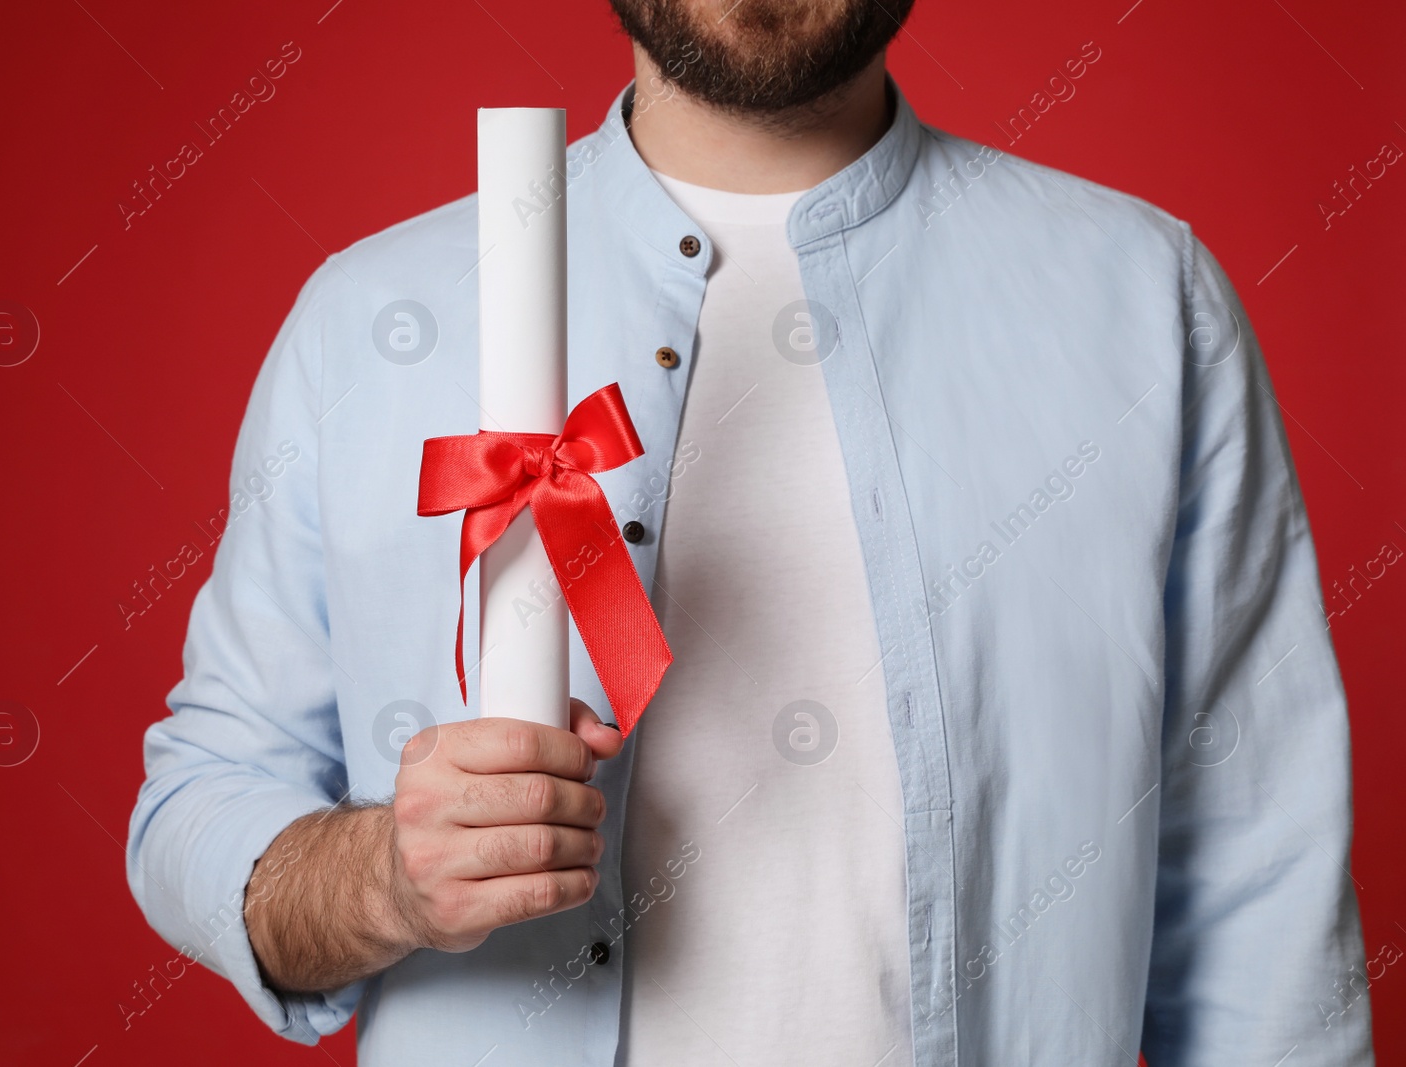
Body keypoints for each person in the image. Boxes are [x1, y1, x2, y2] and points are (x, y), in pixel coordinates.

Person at [125, 1, 1374, 1063]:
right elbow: (199, 802)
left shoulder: (1144, 303)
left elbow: (1262, 890)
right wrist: (380, 879)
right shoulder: (369, 321)